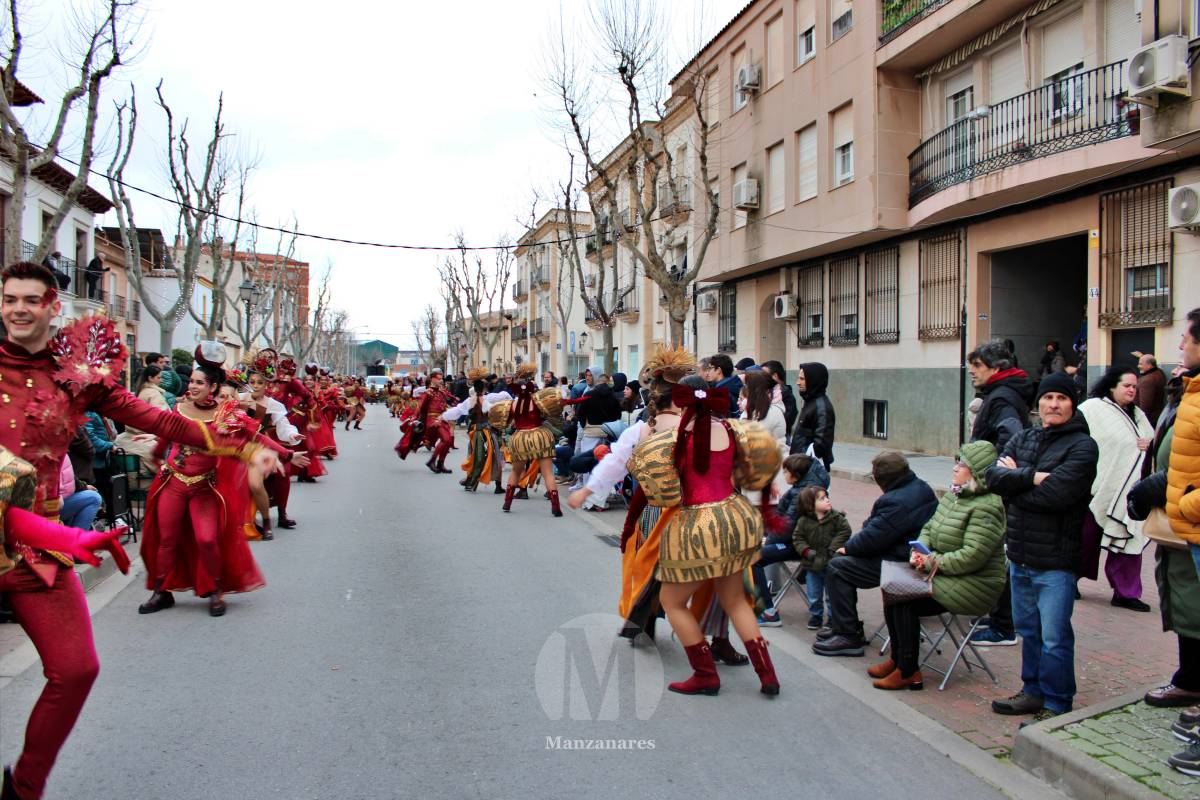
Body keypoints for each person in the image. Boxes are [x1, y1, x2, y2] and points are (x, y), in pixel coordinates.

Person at [0, 261, 281, 800]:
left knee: (76, 670)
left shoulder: (77, 378)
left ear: (53, 307)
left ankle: (23, 788)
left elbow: (162, 422)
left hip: (38, 547)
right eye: (10, 299)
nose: (18, 309)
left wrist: (243, 447)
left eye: (31, 300)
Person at [625, 371, 783, 696]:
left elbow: (655, 489)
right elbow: (749, 472)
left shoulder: (675, 438)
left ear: (681, 401)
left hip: (697, 525)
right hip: (734, 516)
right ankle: (768, 676)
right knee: (735, 601)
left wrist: (631, 523)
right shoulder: (730, 429)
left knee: (671, 601)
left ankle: (705, 674)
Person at [138, 344, 286, 617]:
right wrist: (158, 456)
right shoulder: (179, 409)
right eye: (192, 382)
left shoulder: (226, 414)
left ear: (213, 387)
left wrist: (285, 454)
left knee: (207, 539)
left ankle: (216, 590)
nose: (192, 386)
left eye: (199, 383)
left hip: (204, 486)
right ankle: (161, 591)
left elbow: (251, 438)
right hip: (173, 482)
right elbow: (165, 436)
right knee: (166, 539)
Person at [987, 372, 1098, 725]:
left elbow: (1057, 496)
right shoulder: (1024, 437)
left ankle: (1057, 702)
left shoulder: (1083, 446)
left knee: (1054, 636)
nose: (1053, 404)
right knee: (1029, 632)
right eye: (1048, 398)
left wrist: (1016, 482)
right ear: (1039, 403)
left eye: (1061, 398)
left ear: (1072, 404)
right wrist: (1031, 477)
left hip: (1055, 560)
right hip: (1020, 555)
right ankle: (1032, 690)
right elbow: (993, 477)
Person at [870, 440, 1007, 690]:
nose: (955, 468)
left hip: (975, 584)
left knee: (905, 599)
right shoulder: (955, 495)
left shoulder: (988, 507)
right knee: (892, 588)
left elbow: (972, 556)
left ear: (976, 473)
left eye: (962, 465)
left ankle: (909, 671)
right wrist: (919, 549)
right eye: (956, 462)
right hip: (946, 573)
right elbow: (929, 527)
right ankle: (898, 659)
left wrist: (932, 561)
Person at [813, 452, 938, 657]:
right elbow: (875, 528)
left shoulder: (896, 500)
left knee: (838, 567)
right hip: (908, 553)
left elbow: (872, 537)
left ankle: (847, 634)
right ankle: (845, 626)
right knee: (841, 562)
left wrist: (849, 547)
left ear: (882, 479)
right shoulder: (920, 486)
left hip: (902, 562)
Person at [965, 340, 1032, 647]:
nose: (972, 371)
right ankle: (1000, 617)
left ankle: (1004, 625)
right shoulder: (1000, 393)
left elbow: (1012, 437)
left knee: (999, 554)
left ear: (996, 368)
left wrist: (991, 473)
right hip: (997, 486)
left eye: (977, 365)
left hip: (997, 489)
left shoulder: (1002, 397)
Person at [1079, 366, 1155, 612]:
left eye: (1134, 386)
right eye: (1127, 386)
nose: (1132, 390)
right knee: (1084, 539)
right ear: (1112, 386)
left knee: (1129, 540)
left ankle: (1126, 592)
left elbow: (1150, 441)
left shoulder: (1138, 415)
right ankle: (1069, 581)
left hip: (1130, 491)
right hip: (1098, 487)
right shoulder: (1093, 409)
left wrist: (1150, 445)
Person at [754, 485, 850, 631]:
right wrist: (805, 550)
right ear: (810, 505)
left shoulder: (836, 518)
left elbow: (845, 532)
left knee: (831, 593)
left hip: (829, 560)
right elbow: (797, 538)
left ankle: (832, 618)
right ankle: (816, 615)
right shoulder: (804, 521)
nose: (827, 500)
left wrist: (832, 548)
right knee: (813, 593)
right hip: (811, 561)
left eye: (826, 497)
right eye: (822, 499)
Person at [499, 362, 563, 516]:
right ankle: (556, 507)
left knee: (516, 471)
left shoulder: (513, 404)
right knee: (548, 473)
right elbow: (555, 410)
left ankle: (507, 503)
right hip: (539, 436)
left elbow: (506, 422)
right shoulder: (538, 400)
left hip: (520, 438)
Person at [442, 366, 509, 494]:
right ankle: (485, 483)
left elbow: (457, 411)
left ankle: (471, 480)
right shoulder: (487, 399)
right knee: (493, 456)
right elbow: (503, 397)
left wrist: (443, 416)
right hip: (487, 432)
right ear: (484, 389)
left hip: (477, 431)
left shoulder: (470, 400)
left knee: (475, 456)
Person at [789, 362, 835, 471]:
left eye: (802, 379)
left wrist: (804, 464)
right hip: (800, 466)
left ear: (813, 380)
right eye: (799, 378)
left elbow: (822, 443)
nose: (798, 382)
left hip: (809, 469)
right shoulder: (810, 401)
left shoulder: (821, 407)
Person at [761, 360, 798, 436]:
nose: (761, 378)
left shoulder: (786, 395)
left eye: (764, 374)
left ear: (775, 376)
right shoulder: (765, 392)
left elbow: (789, 418)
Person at [701, 354, 742, 418]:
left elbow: (720, 420)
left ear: (718, 370)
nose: (708, 372)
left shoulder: (720, 392)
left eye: (710, 368)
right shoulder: (735, 384)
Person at [1137, 353, 1168, 427]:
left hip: (1147, 421)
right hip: (1155, 418)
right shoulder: (1159, 373)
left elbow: (1145, 406)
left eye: (1141, 364)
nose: (1138, 366)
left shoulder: (1147, 381)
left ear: (1150, 365)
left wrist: (1139, 421)